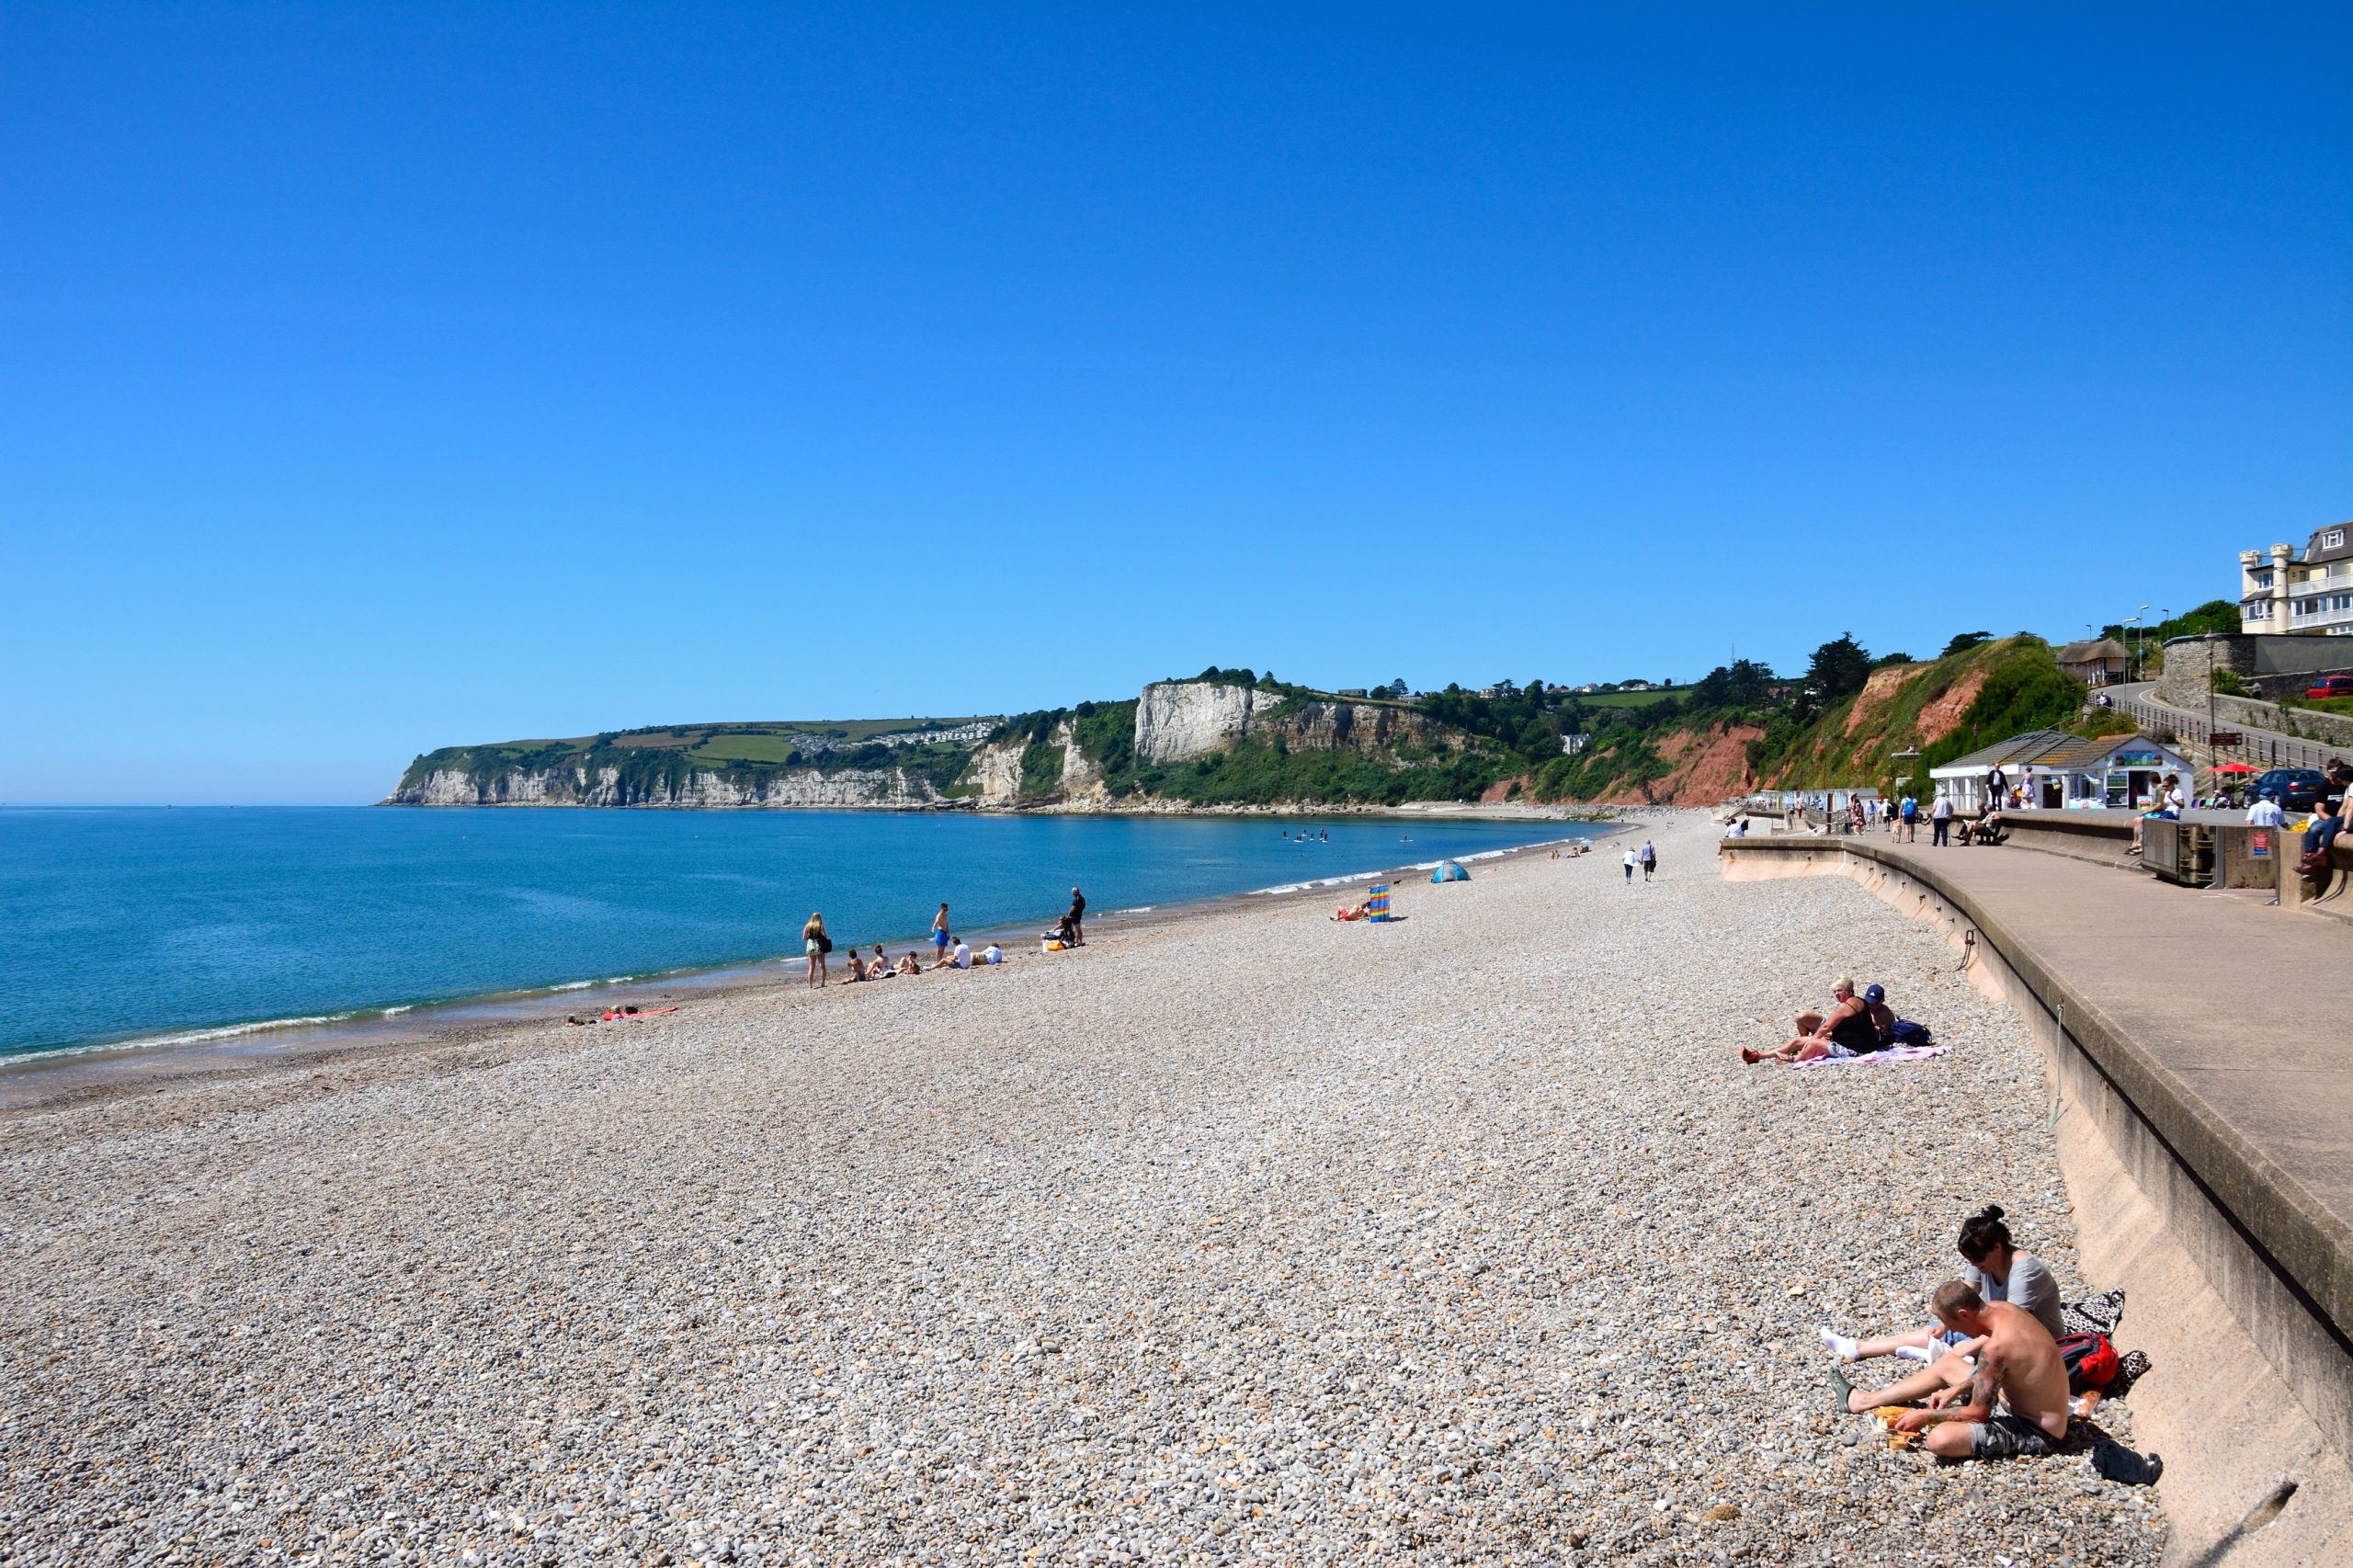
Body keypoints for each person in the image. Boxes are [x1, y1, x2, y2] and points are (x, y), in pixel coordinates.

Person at [1830, 1280, 2072, 1461]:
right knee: (1947, 1363)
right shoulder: (2003, 1309)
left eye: (1951, 1324)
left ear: (1963, 1314)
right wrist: (1956, 1389)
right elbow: (2002, 1370)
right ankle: (1866, 1400)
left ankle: (1901, 1411)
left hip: (2038, 1429)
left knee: (1940, 1439)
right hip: (2024, 1397)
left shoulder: (1996, 1347)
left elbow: (1977, 1414)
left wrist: (1925, 1417)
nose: (1953, 1332)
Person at [1819, 1204, 2066, 1365]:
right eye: (1969, 1260)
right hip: (1994, 1327)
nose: (1975, 1264)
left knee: (1963, 1346)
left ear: (1998, 1247)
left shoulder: (2025, 1272)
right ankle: (1859, 1347)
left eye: (1977, 1259)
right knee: (1941, 1330)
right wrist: (1944, 1323)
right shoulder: (1981, 1257)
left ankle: (1943, 1356)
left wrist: (1969, 1344)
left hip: (2035, 1345)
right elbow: (1965, 1293)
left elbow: (2013, 1327)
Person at [1743, 977, 1878, 1064]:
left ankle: (1793, 1059)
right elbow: (1858, 1026)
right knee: (1798, 1041)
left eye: (1840, 990)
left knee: (1813, 1043)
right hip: (1853, 1043)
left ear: (1849, 990)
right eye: (1835, 992)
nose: (1837, 994)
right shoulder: (1861, 1001)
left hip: (1855, 1050)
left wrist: (1813, 1040)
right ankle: (1758, 1056)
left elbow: (1826, 1027)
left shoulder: (1845, 1006)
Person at [802, 913, 830, 988]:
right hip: (819, 946)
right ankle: (823, 983)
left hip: (811, 947)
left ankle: (810, 985)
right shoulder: (820, 926)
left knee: (811, 967)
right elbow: (825, 936)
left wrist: (809, 937)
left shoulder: (807, 926)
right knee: (822, 965)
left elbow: (804, 938)